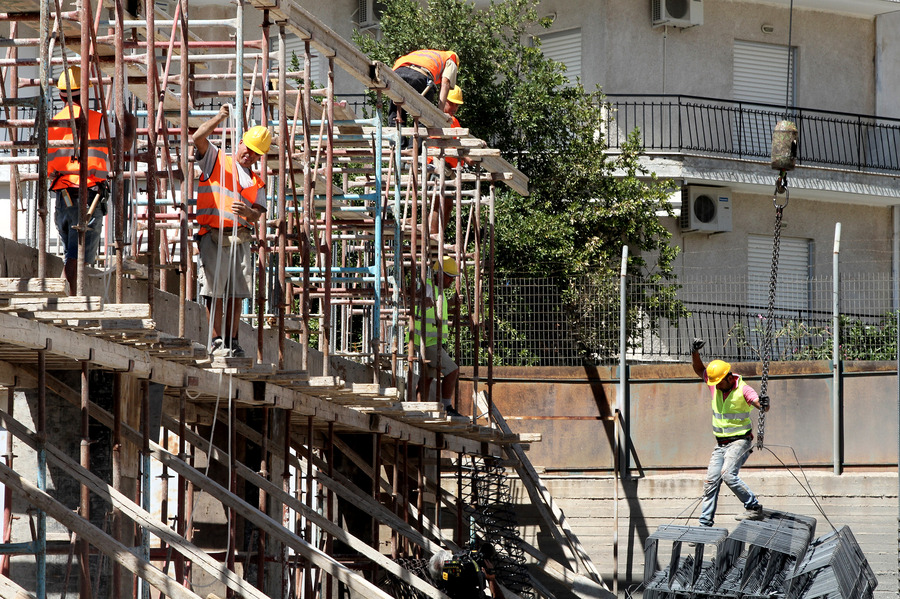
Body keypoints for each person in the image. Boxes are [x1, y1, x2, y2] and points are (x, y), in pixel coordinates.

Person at [48, 65, 136, 294]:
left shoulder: (52, 124)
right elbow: (125, 145)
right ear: (87, 92)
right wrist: (129, 119)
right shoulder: (97, 121)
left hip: (62, 198)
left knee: (71, 253)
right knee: (77, 256)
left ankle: (64, 297)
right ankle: (68, 301)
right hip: (86, 197)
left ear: (60, 95)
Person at [192, 105, 271, 358]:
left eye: (256, 153)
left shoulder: (256, 182)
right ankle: (216, 340)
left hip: (241, 239)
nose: (249, 155)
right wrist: (219, 117)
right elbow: (197, 138)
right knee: (214, 292)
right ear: (239, 143)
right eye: (248, 149)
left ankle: (232, 340)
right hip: (213, 235)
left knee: (236, 294)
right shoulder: (216, 159)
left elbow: (258, 213)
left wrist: (248, 214)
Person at [690, 338, 770, 526]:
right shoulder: (714, 384)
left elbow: (759, 404)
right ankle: (704, 525)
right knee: (711, 482)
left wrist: (765, 404)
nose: (715, 386)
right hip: (721, 444)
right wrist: (694, 353)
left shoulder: (743, 389)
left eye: (719, 382)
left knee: (727, 474)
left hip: (740, 441)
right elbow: (699, 369)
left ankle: (754, 508)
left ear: (728, 377)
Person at [408, 257, 461, 417]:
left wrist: (451, 303)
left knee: (428, 377)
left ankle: (419, 408)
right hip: (426, 341)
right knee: (452, 370)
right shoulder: (429, 287)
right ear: (440, 274)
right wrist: (422, 299)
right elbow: (414, 296)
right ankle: (447, 407)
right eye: (449, 277)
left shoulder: (440, 293)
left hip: (432, 341)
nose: (452, 281)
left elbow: (438, 312)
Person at [388, 49, 459, 128]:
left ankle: (396, 139)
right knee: (424, 118)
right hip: (418, 76)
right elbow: (445, 83)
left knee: (396, 113)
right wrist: (440, 113)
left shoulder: (429, 54)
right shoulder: (451, 60)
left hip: (397, 73)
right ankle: (417, 139)